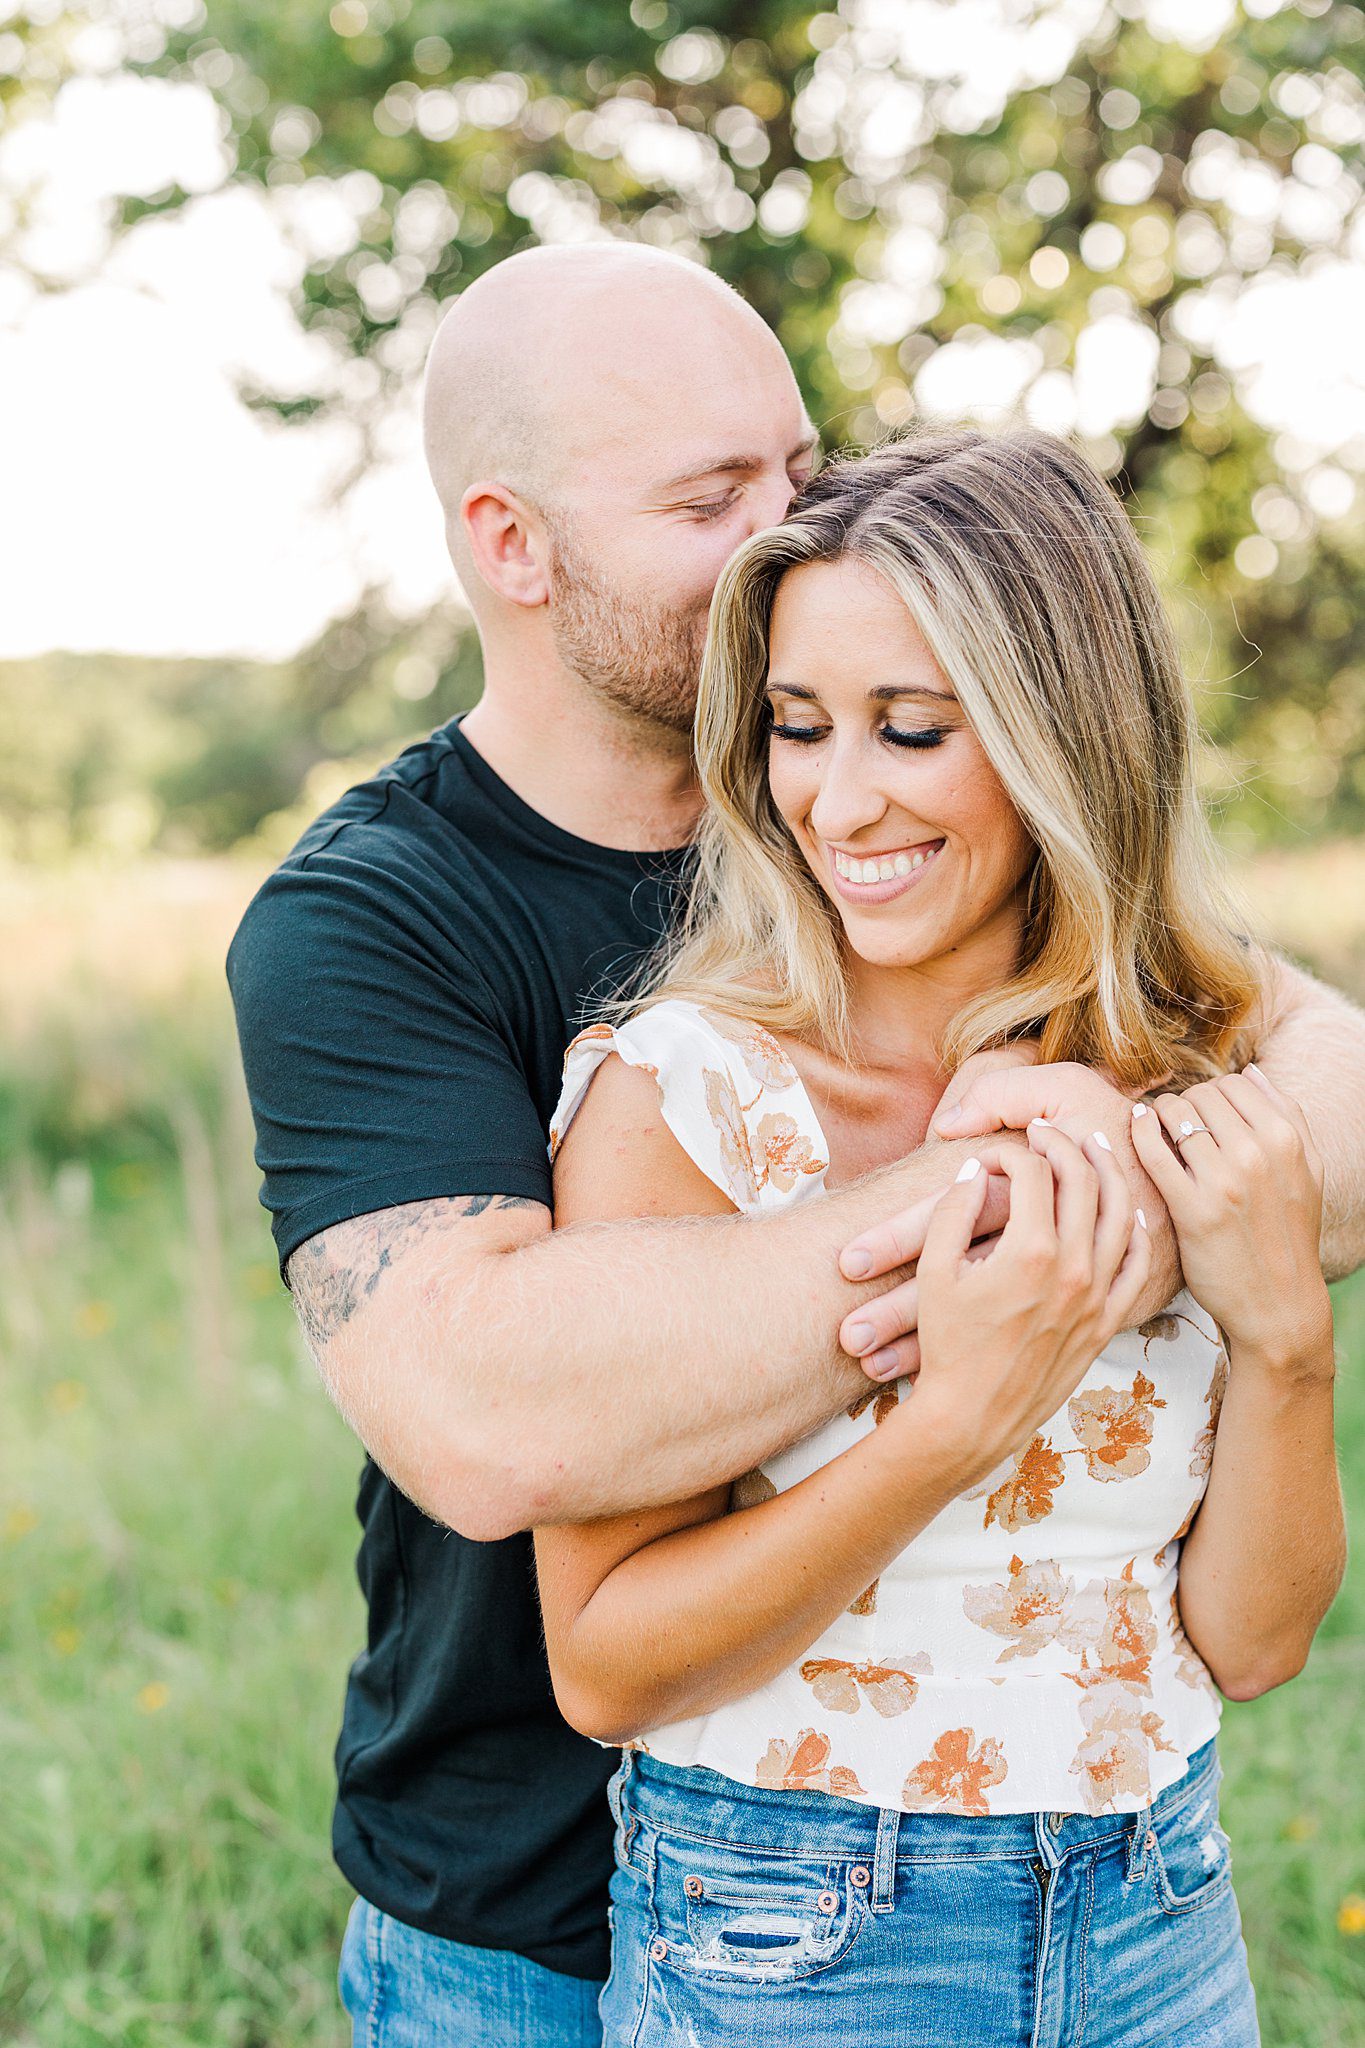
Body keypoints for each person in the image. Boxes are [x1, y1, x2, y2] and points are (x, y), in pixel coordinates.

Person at [225, 248, 1365, 2048]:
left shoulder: (1031, 939)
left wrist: (1182, 1191)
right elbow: (488, 1412)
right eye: (711, 497)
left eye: (798, 461)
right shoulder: (386, 923)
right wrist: (1012, 1206)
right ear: (512, 547)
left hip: (1122, 1897)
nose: (798, 516)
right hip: (528, 1904)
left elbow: (1329, 1095)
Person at [537, 427, 1346, 2045]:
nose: (839, 801)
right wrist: (951, 1425)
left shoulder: (1193, 1073)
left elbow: (1249, 1648)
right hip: (798, 1928)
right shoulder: (688, 1098)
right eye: (794, 727)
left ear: (1067, 739)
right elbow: (605, 1668)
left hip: (1157, 1908)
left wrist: (1283, 1337)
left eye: (910, 731)